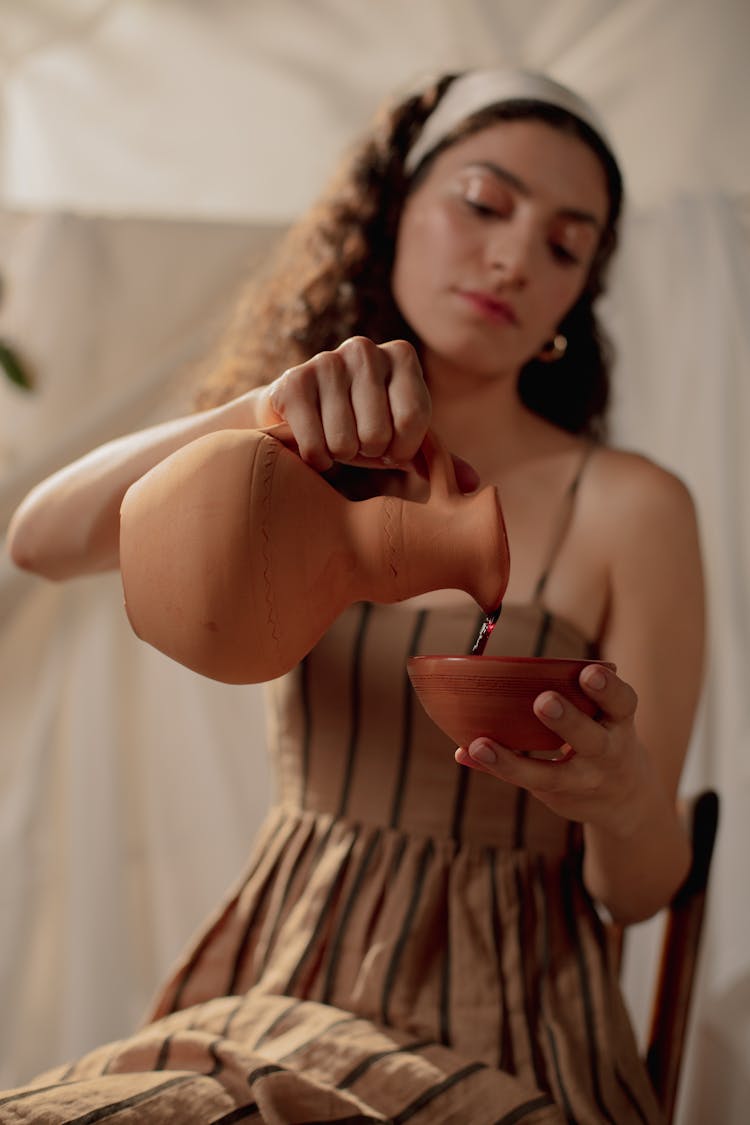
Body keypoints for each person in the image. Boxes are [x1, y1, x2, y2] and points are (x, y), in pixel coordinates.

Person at [4, 67, 704, 1124]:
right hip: (283, 976)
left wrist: (616, 795)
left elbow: (640, 889)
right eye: (482, 203)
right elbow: (41, 540)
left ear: (577, 297)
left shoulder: (633, 505)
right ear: (391, 214)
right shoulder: (298, 463)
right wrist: (257, 408)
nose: (515, 255)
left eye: (566, 244)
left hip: (516, 1014)